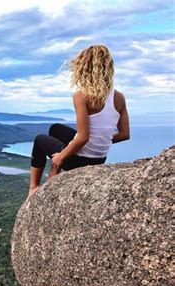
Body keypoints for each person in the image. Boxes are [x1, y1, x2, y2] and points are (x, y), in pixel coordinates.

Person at [28, 44, 130, 196]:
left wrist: (61, 156)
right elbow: (124, 134)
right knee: (55, 128)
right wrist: (100, 141)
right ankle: (54, 171)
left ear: (84, 68)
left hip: (80, 161)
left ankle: (33, 188)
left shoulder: (82, 96)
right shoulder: (119, 97)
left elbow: (83, 137)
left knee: (39, 140)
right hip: (100, 159)